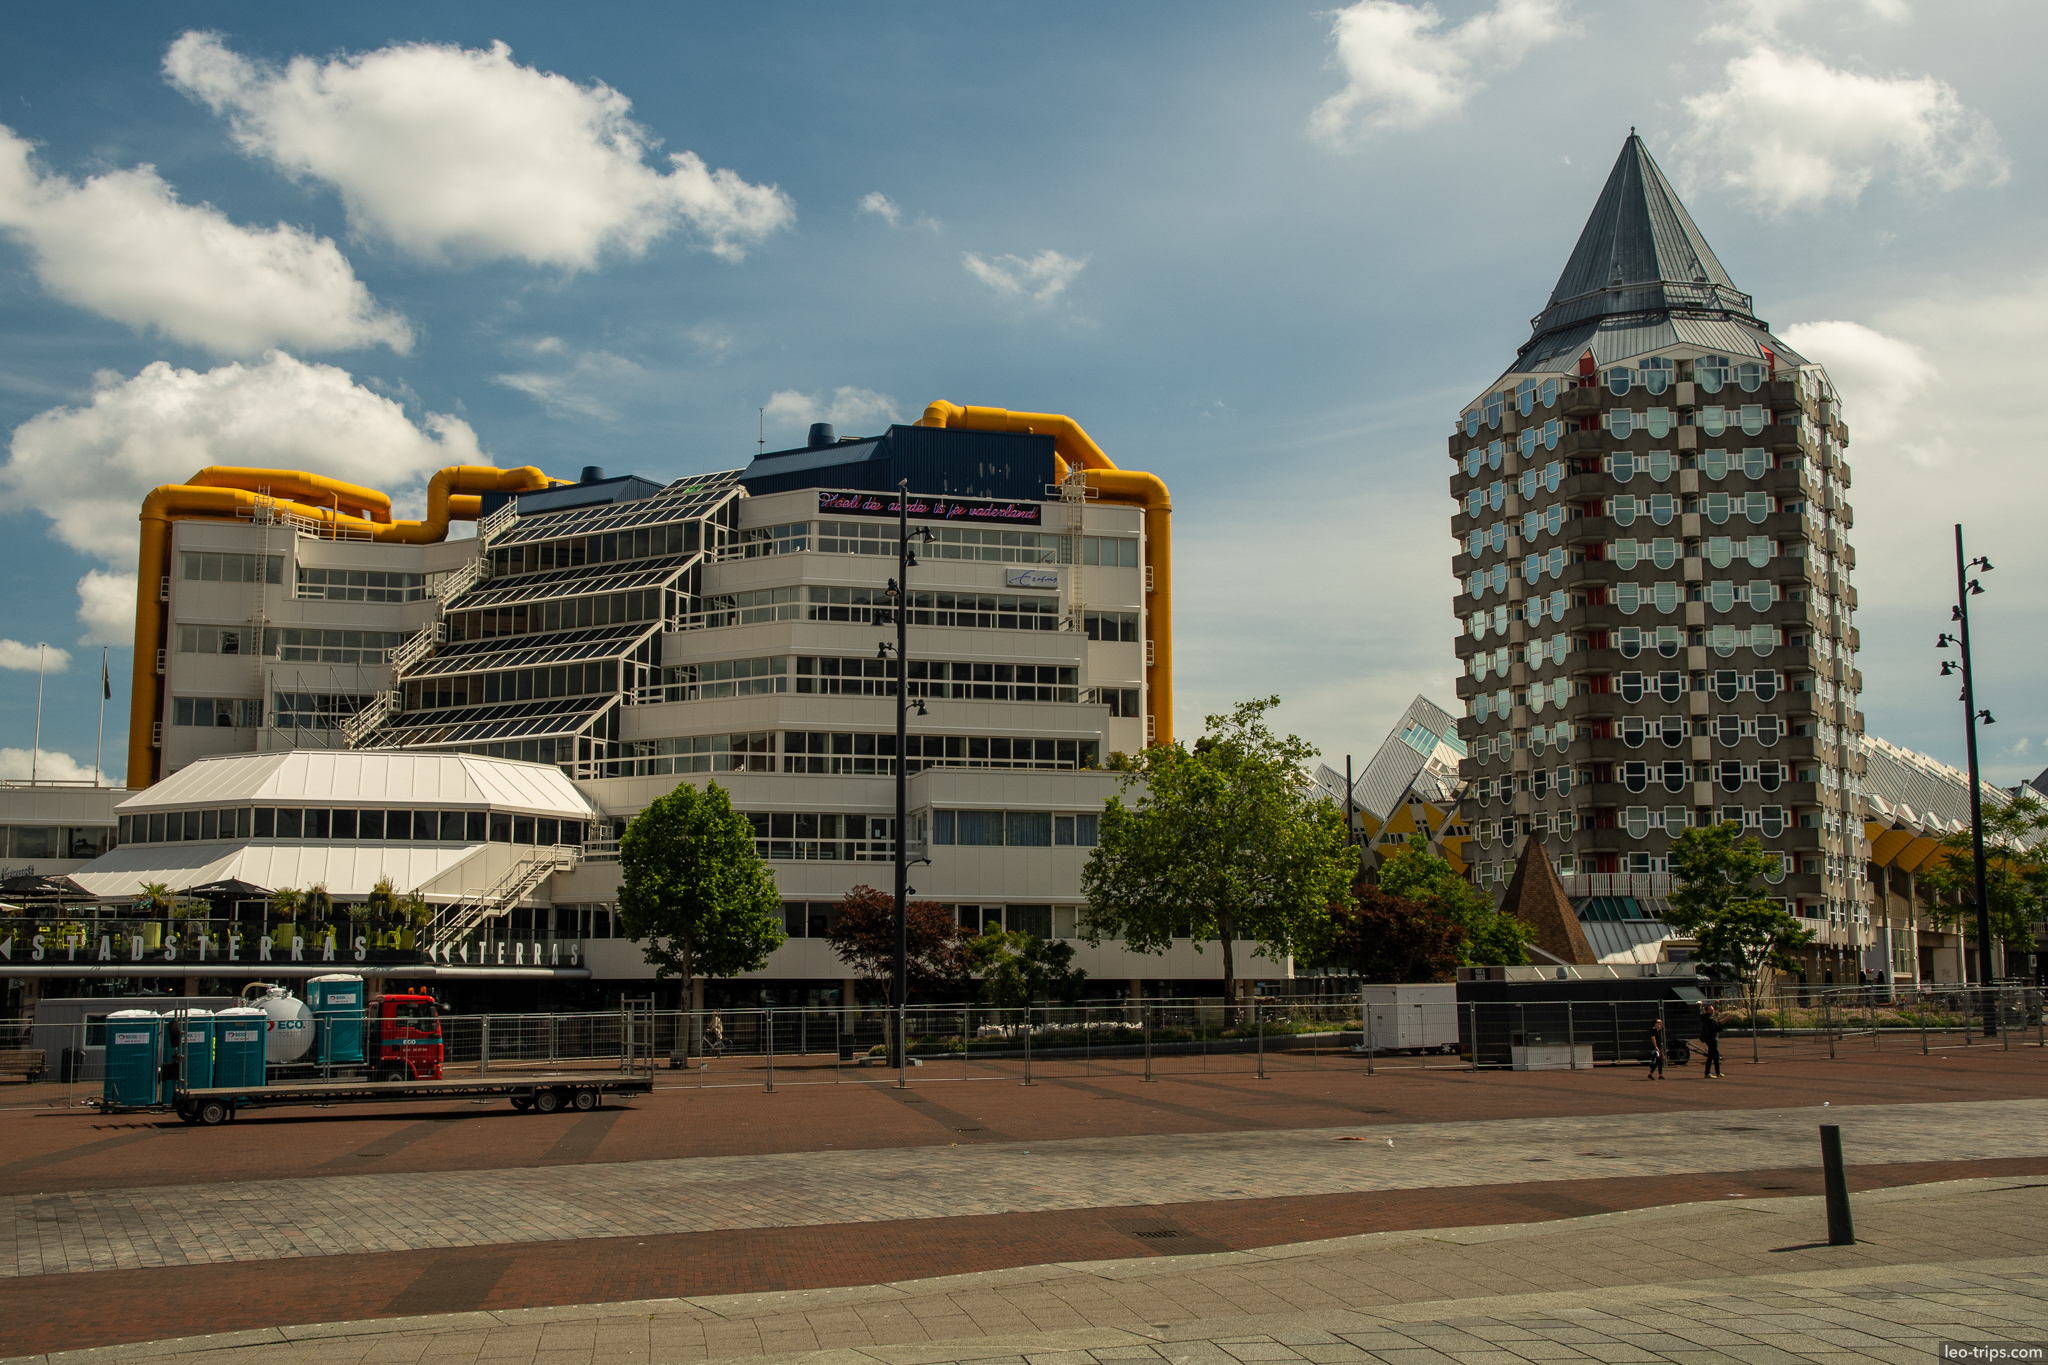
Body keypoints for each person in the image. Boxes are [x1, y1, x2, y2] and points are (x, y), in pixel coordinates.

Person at [1698, 1006, 1724, 1080]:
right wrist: (1728, 1018)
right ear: (1707, 1011)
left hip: (1710, 1039)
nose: (1712, 1011)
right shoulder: (1709, 1019)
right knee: (1711, 1056)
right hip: (1712, 1039)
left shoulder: (1707, 1018)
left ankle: (1718, 1072)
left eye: (1713, 1009)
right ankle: (1707, 1073)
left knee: (1716, 1055)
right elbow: (1717, 1025)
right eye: (1710, 1010)